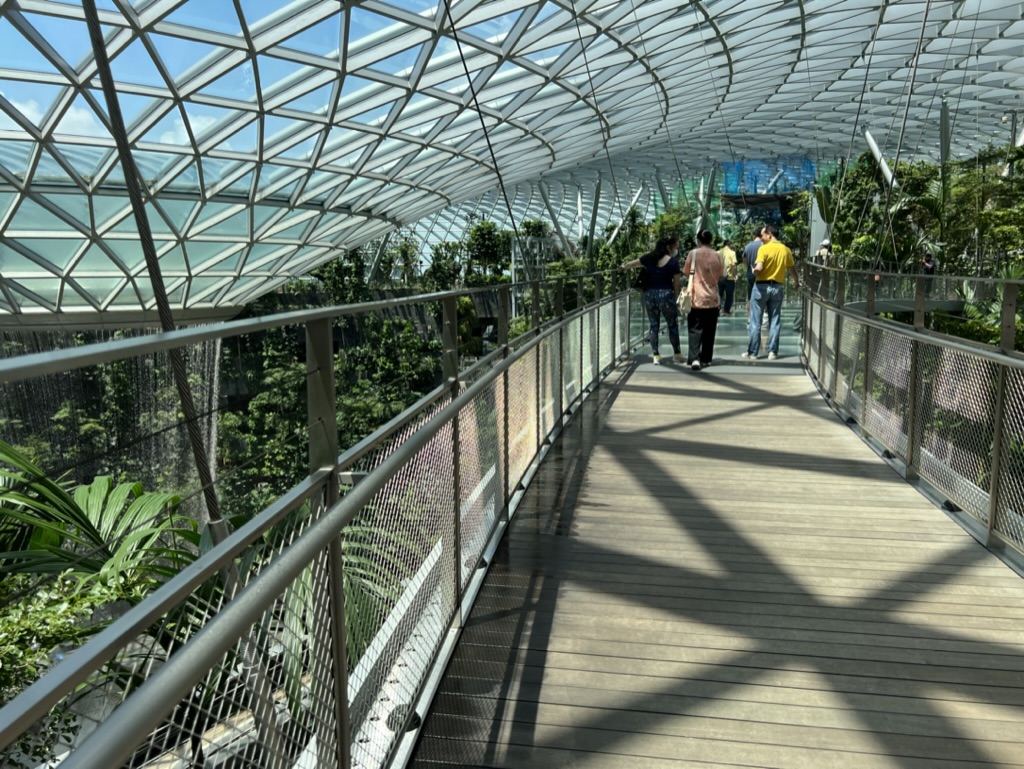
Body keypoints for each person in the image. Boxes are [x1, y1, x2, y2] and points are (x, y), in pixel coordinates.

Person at [621, 236, 682, 365]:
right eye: (674, 247)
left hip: (650, 295)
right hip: (666, 295)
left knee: (654, 326)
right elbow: (676, 283)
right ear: (668, 248)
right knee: (672, 324)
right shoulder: (673, 262)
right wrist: (677, 299)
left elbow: (634, 263)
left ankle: (655, 355)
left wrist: (624, 267)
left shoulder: (649, 258)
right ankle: (677, 353)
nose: (675, 249)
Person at [742, 226, 800, 361]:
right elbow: (792, 269)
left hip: (761, 287)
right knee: (775, 320)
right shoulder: (785, 250)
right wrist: (797, 282)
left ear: (769, 235)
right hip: (777, 288)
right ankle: (772, 352)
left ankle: (753, 353)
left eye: (763, 235)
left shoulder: (764, 248)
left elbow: (759, 268)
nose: (761, 238)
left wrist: (754, 270)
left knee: (756, 321)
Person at [682, 229, 725, 370]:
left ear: (698, 240)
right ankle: (706, 359)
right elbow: (721, 274)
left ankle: (694, 359)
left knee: (695, 329)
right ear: (711, 240)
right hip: (712, 299)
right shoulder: (717, 255)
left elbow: (686, 272)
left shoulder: (693, 254)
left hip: (696, 299)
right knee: (709, 329)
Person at [741, 226, 764, 314]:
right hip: (762, 274)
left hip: (750, 273)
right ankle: (761, 317)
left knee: (750, 296)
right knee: (762, 295)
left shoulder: (747, 246)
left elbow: (744, 260)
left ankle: (749, 318)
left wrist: (749, 266)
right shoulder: (763, 245)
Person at [718, 239, 737, 315]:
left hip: (720, 278)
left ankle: (717, 310)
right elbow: (734, 265)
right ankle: (726, 310)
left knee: (719, 294)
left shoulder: (718, 252)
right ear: (730, 245)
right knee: (729, 295)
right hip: (729, 278)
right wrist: (734, 274)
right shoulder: (732, 253)